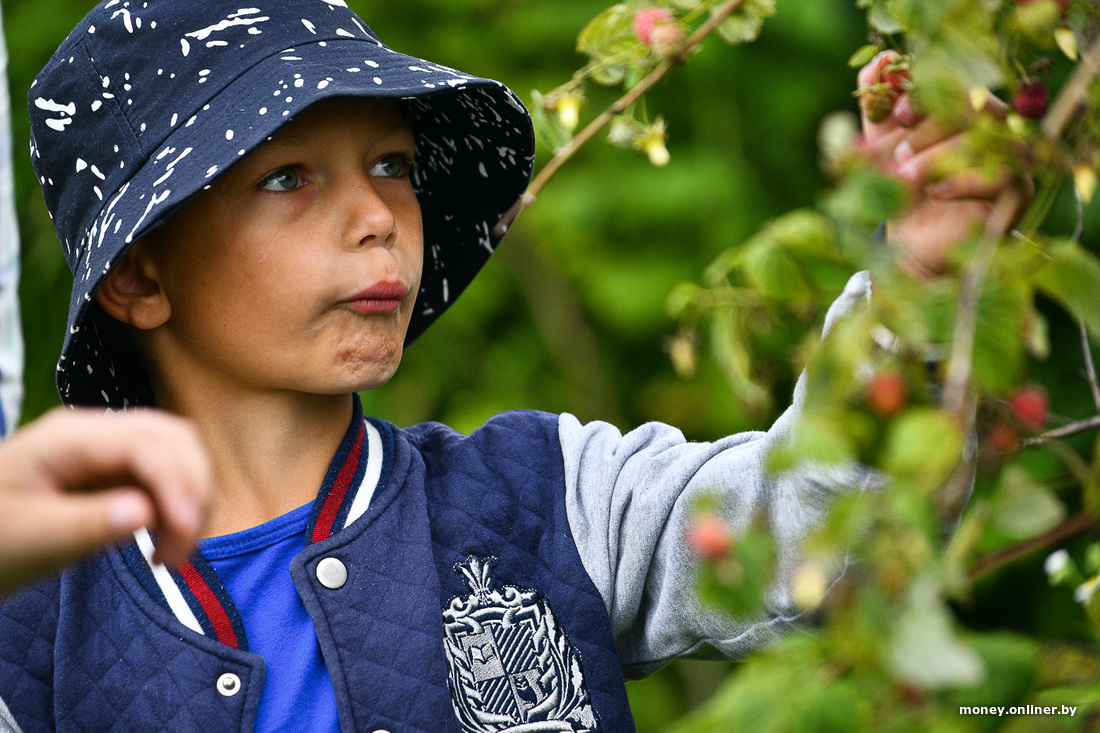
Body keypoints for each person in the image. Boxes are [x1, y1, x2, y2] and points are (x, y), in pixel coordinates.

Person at [0, 1, 1024, 731]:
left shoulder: (545, 498)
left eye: (392, 164)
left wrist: (917, 280)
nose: (375, 218)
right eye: (288, 176)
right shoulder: (35, 619)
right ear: (139, 274)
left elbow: (823, 530)